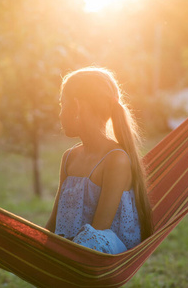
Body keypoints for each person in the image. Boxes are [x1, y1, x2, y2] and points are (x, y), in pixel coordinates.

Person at [45, 66, 153, 254]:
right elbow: (53, 223)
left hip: (96, 256)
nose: (60, 114)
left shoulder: (116, 160)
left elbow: (97, 234)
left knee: (94, 240)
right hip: (68, 253)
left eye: (62, 104)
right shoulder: (69, 157)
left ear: (77, 106)